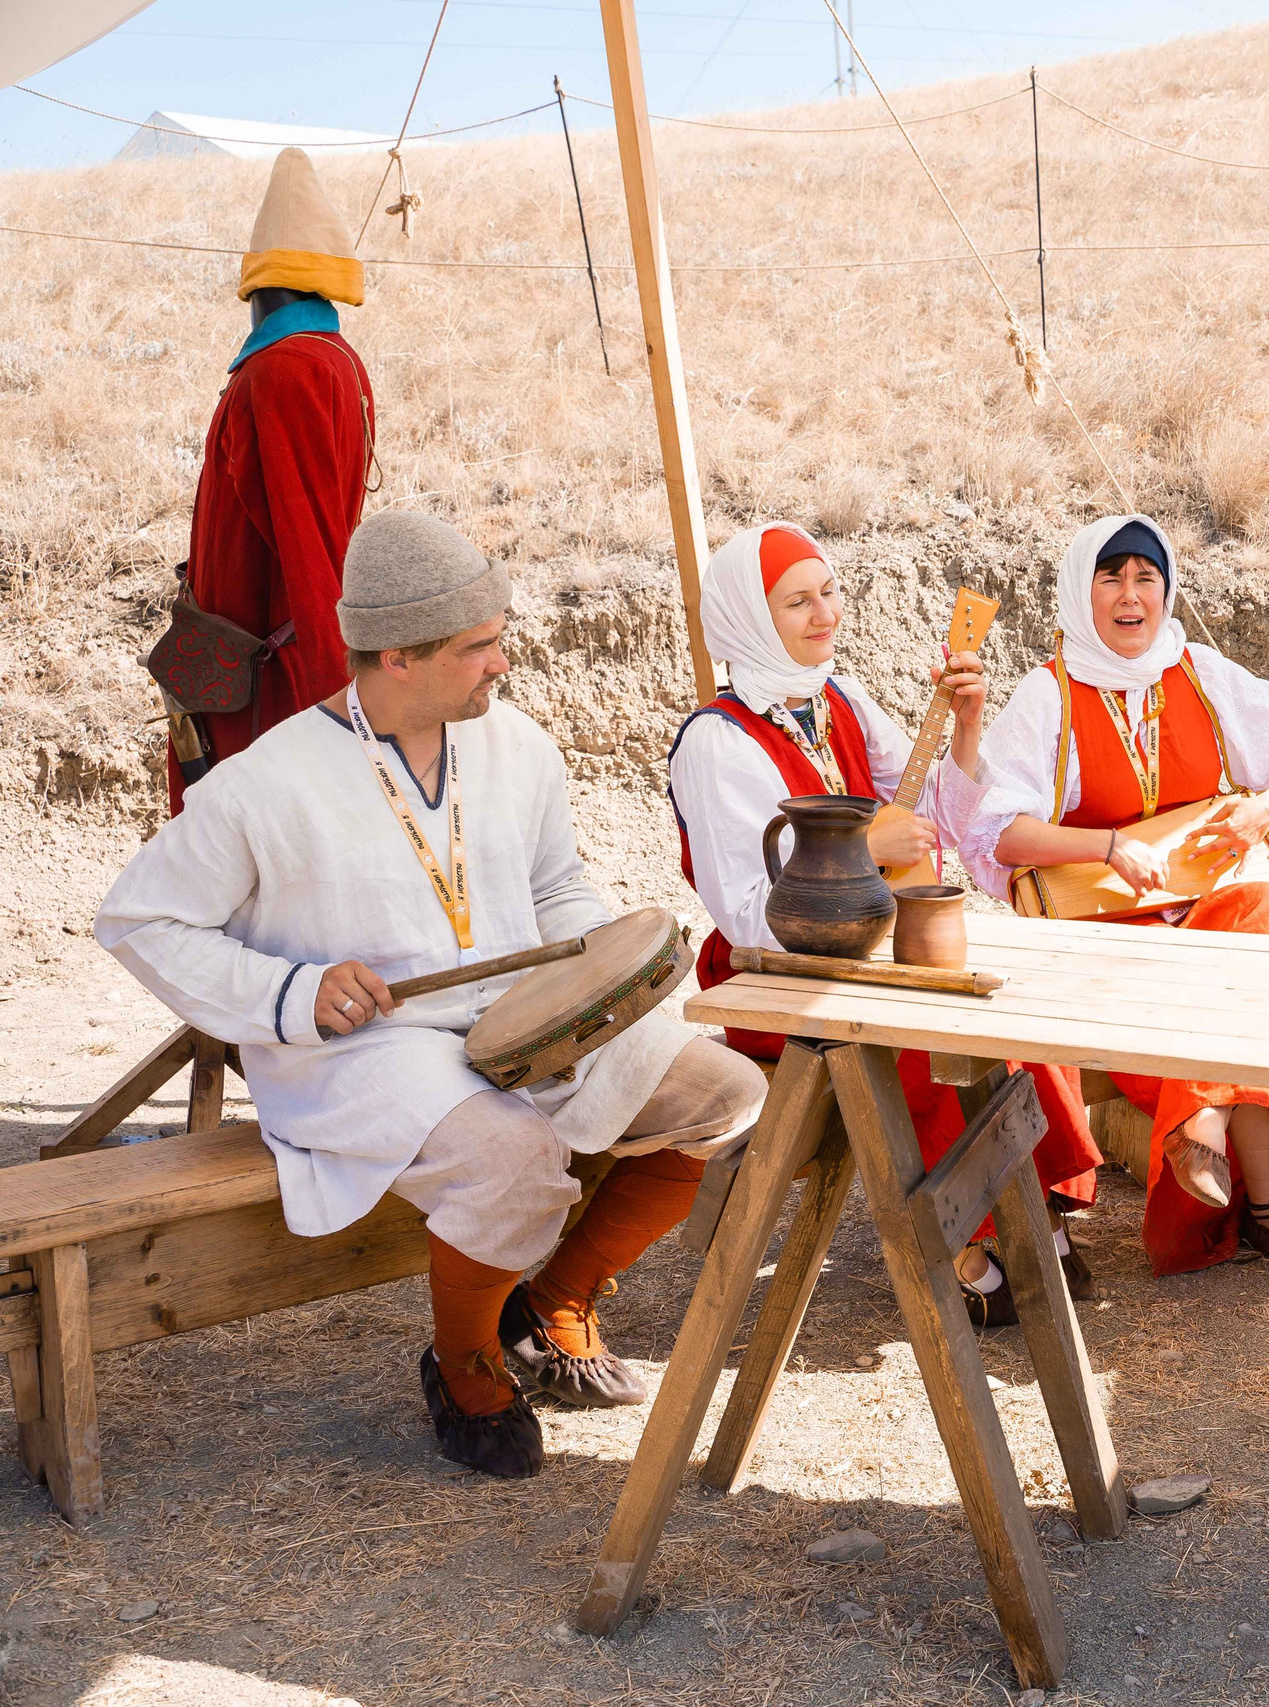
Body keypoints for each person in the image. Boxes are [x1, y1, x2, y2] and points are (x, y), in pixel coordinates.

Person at [97, 513, 767, 1481]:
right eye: (477, 647)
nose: (502, 664)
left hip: (520, 1023)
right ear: (397, 656)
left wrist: (593, 966)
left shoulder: (518, 749)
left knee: (720, 1091)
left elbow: (555, 887)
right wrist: (295, 991)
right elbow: (138, 921)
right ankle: (464, 1366)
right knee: (516, 1156)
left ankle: (547, 1310)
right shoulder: (268, 785)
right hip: (367, 1054)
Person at [666, 521, 1103, 1326]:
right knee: (925, 1041)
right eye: (796, 601)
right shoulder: (715, 741)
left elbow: (934, 810)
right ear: (750, 619)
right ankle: (966, 1244)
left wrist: (966, 727)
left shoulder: (836, 698)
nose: (823, 612)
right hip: (776, 981)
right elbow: (744, 902)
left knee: (1010, 1009)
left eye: (828, 591)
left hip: (871, 953)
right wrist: (865, 846)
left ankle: (1032, 1210)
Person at [965, 514, 1269, 1276]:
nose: (1130, 594)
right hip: (1096, 942)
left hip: (1198, 929)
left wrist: (1262, 810)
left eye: (1145, 577)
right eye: (1110, 577)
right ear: (1080, 591)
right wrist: (1109, 845)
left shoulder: (1200, 672)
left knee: (1264, 909)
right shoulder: (1046, 695)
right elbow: (998, 835)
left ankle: (1204, 1119)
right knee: (1240, 989)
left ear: (1166, 587)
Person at [171, 147, 376, 805]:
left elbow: (312, 553)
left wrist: (336, 714)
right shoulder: (325, 360)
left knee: (255, 864)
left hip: (269, 698)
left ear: (261, 287)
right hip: (244, 672)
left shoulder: (285, 373)